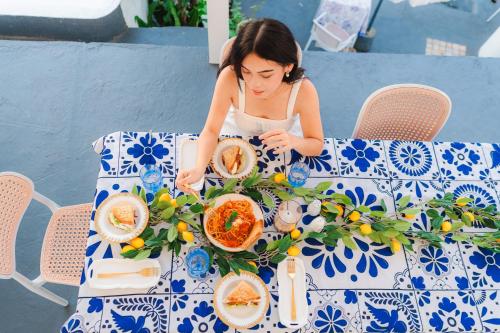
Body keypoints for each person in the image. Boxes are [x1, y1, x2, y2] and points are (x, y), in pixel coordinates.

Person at [176, 18, 324, 193]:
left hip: (283, 146)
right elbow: (210, 131)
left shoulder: (304, 90)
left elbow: (316, 145)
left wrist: (294, 141)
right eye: (246, 71)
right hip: (235, 138)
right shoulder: (229, 77)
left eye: (266, 75)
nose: (254, 84)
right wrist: (199, 169)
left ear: (288, 67)